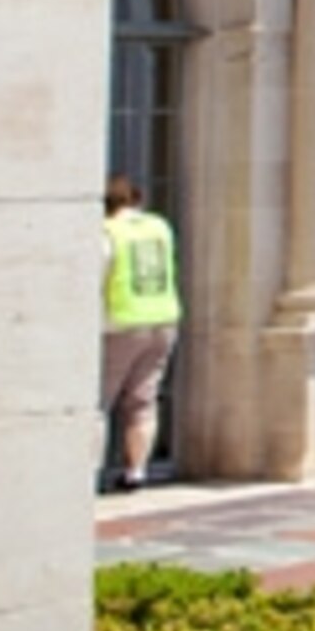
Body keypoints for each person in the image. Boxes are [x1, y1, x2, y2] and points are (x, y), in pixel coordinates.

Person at [100, 173, 183, 493]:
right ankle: (136, 470)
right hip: (163, 319)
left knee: (99, 402)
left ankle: (89, 470)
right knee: (143, 399)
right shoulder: (158, 226)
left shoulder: (107, 232)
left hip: (120, 323)